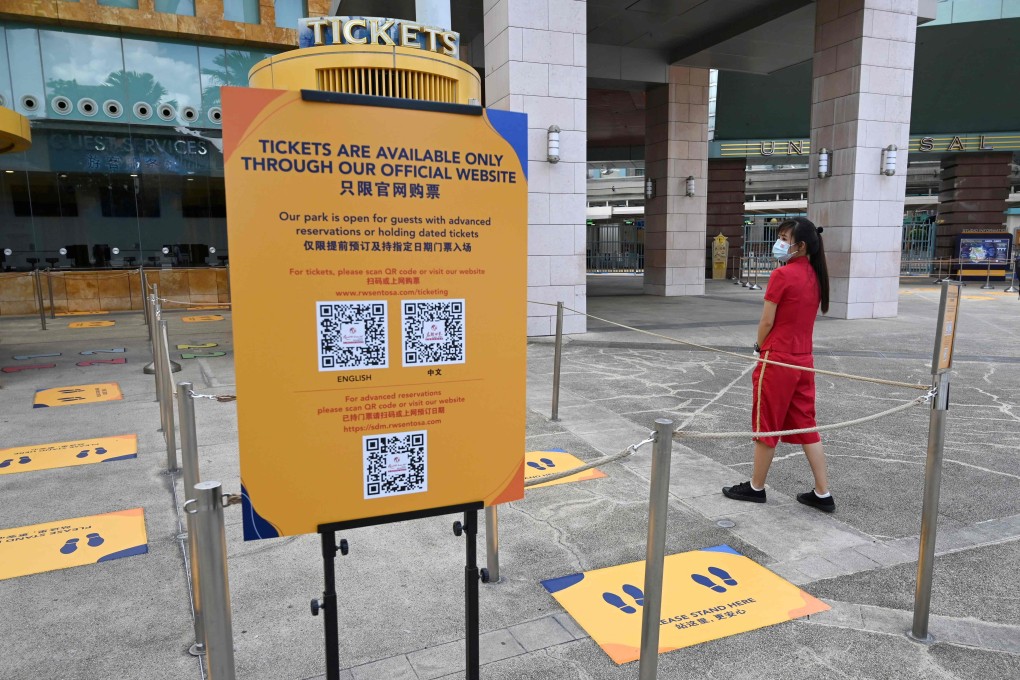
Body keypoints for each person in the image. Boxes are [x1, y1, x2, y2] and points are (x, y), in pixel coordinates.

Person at [723, 217, 834, 513]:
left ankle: (756, 487)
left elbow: (767, 320)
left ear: (801, 245)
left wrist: (760, 344)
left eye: (785, 238)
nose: (780, 243)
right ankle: (823, 493)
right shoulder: (816, 275)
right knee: (807, 424)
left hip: (778, 357)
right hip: (803, 360)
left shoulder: (782, 275)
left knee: (766, 424)